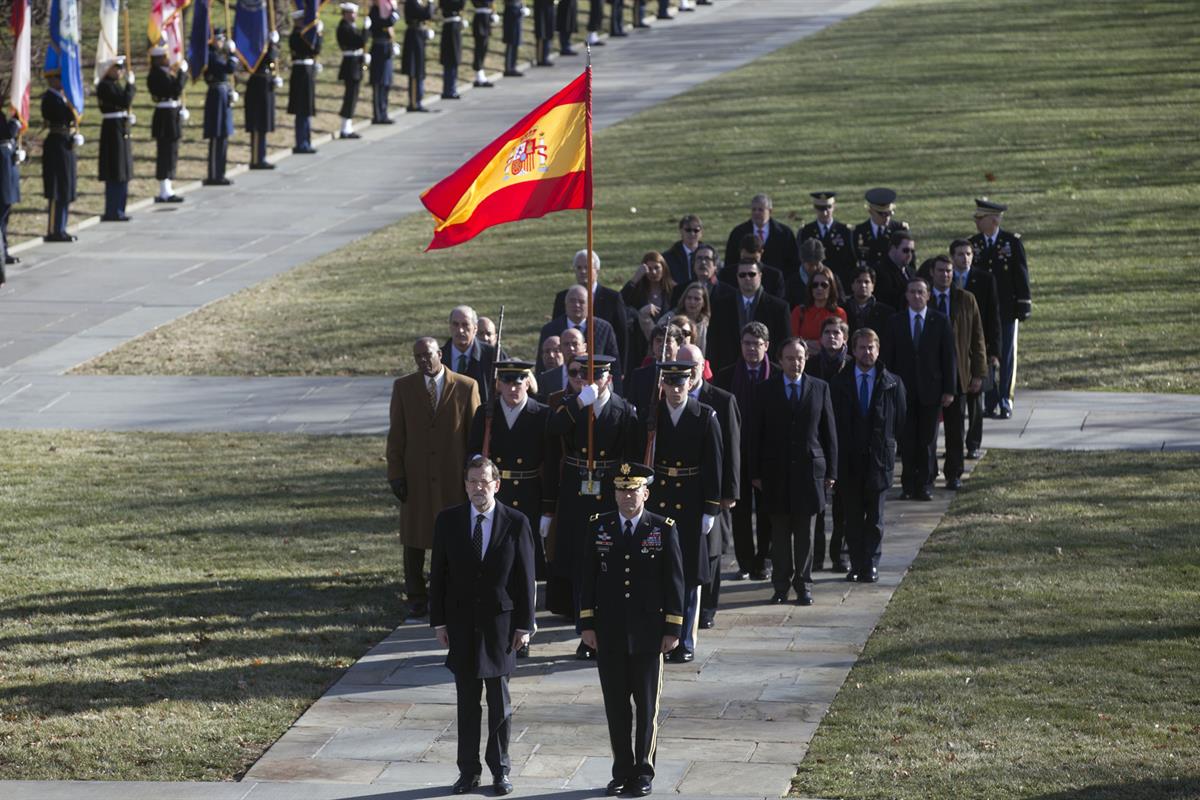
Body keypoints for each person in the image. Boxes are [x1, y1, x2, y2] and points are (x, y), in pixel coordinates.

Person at [430, 455, 535, 796]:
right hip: (461, 625)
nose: (478, 488)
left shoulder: (516, 522)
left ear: (497, 485)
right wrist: (439, 621)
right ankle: (468, 771)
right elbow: (439, 576)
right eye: (472, 481)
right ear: (465, 485)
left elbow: (525, 578)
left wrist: (525, 625)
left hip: (500, 627)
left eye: (484, 482)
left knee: (499, 703)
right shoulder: (448, 521)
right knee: (467, 703)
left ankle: (500, 770)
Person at [578, 463, 684, 798]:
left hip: (648, 632)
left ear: (646, 493)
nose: (627, 497)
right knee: (616, 706)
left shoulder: (663, 528)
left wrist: (673, 627)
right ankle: (621, 769)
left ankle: (643, 771)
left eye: (633, 490)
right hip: (609, 631)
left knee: (647, 706)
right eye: (622, 490)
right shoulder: (599, 527)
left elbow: (674, 581)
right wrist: (587, 624)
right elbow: (588, 579)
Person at [546, 355, 639, 658]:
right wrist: (577, 403)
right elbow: (554, 427)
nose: (592, 384)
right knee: (578, 563)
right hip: (577, 494)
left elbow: (632, 455)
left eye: (597, 378)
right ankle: (584, 634)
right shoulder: (573, 406)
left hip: (608, 491)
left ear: (609, 378)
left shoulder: (623, 410)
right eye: (586, 378)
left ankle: (606, 630)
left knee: (607, 563)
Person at [387, 337, 481, 621]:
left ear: (440, 354)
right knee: (414, 539)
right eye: (417, 357)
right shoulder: (404, 387)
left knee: (454, 536)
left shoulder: (466, 386)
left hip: (453, 476)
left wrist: (473, 478)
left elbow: (474, 437)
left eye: (427, 355)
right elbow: (397, 435)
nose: (423, 361)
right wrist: (396, 474)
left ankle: (453, 590)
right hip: (416, 477)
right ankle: (416, 596)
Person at [637, 361, 721, 663]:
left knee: (687, 577)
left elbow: (714, 465)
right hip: (658, 500)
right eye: (669, 383)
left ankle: (685, 640)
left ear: (690, 383)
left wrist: (710, 507)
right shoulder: (653, 414)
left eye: (680, 383)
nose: (675, 389)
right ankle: (660, 636)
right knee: (656, 570)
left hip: (690, 502)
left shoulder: (704, 416)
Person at [467, 360, 556, 626]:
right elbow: (471, 454)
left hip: (529, 495)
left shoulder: (541, 413)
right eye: (506, 381)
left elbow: (550, 464)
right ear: (499, 385)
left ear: (527, 382)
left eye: (518, 381)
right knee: (495, 560)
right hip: (497, 495)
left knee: (525, 566)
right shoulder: (486, 413)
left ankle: (525, 623)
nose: (512, 387)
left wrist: (548, 509)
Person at [750, 339, 836, 606]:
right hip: (775, 474)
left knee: (805, 533)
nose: (794, 363)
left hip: (809, 474)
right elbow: (756, 435)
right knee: (779, 533)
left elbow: (829, 432)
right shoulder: (765, 390)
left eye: (799, 357)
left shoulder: (820, 388)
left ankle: (804, 584)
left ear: (806, 358)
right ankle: (780, 585)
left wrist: (832, 470)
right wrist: (755, 472)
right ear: (780, 360)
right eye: (789, 358)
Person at [830, 328, 905, 583]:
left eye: (871, 347)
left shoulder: (891, 382)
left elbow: (900, 420)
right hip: (849, 462)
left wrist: (889, 448)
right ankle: (856, 563)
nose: (867, 352)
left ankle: (871, 564)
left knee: (874, 518)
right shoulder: (839, 382)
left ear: (878, 349)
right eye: (862, 347)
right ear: (853, 350)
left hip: (878, 461)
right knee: (852, 518)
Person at [680, 344, 740, 631]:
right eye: (681, 365)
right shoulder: (665, 397)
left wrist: (729, 493)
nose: (687, 371)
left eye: (692, 365)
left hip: (712, 488)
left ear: (703, 365)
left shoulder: (722, 399)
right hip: (681, 490)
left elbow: (731, 450)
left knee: (712, 551)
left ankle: (708, 608)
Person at [882, 277, 956, 502]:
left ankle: (924, 485)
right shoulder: (895, 321)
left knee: (927, 441)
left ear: (928, 295)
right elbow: (888, 358)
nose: (916, 296)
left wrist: (949, 390)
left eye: (920, 292)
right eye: (912, 292)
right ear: (906, 295)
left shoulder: (940, 320)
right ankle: (907, 485)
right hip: (903, 391)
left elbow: (948, 357)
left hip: (931, 391)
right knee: (907, 441)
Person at [713, 322, 775, 581]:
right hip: (736, 454)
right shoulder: (726, 376)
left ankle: (765, 560)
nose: (751, 349)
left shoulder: (777, 374)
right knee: (739, 511)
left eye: (757, 344)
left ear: (766, 346)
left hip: (767, 454)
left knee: (766, 511)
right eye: (747, 343)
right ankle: (746, 562)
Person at [968, 198, 1031, 420]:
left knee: (1006, 356)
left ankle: (1006, 399)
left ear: (993, 220)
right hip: (980, 312)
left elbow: (1020, 274)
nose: (976, 221)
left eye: (980, 218)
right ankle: (990, 399)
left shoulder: (1011, 242)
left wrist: (1024, 304)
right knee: (983, 356)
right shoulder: (972, 244)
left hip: (1006, 310)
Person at [927, 255, 986, 490]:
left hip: (959, 374)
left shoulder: (965, 299)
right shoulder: (923, 296)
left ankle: (954, 474)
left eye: (949, 271)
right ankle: (929, 473)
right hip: (930, 376)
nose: (945, 275)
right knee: (928, 432)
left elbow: (977, 338)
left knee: (955, 430)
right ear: (932, 272)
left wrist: (978, 373)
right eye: (941, 270)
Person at [804, 317, 851, 571]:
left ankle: (840, 554)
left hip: (845, 443)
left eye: (837, 332)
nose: (832, 337)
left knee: (843, 506)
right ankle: (818, 556)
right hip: (817, 444)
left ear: (845, 338)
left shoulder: (852, 367)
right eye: (828, 332)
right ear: (820, 338)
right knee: (818, 506)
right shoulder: (810, 367)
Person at [949, 238, 1001, 458]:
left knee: (976, 404)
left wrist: (994, 353)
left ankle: (973, 443)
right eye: (960, 254)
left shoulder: (985, 279)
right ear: (952, 257)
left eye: (968, 254)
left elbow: (993, 318)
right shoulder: (945, 281)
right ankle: (956, 445)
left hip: (977, 350)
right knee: (958, 406)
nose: (965, 258)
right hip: (955, 353)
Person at [550, 250, 629, 377]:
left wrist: (621, 372)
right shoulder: (562, 298)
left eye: (587, 267)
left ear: (597, 270)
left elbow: (622, 336)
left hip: (600, 371)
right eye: (579, 267)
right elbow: (555, 331)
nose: (583, 271)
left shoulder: (612, 298)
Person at [708, 259, 790, 373]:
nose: (747, 278)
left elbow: (784, 344)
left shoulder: (779, 308)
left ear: (760, 275)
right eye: (742, 275)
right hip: (728, 373)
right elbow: (713, 343)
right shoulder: (721, 306)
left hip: (768, 373)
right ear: (737, 277)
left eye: (752, 274)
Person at [540, 285, 623, 388]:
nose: (577, 305)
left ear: (590, 304)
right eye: (572, 301)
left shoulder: (604, 328)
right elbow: (541, 364)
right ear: (565, 303)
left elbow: (614, 366)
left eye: (581, 301)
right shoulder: (550, 329)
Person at [40, 67, 79, 242]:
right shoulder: (49, 99)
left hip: (65, 142)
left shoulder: (64, 98)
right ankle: (54, 229)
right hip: (55, 143)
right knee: (57, 187)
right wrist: (71, 102)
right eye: (61, 79)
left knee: (66, 185)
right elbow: (58, 115)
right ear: (53, 80)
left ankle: (62, 227)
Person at [96, 57, 135, 222]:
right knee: (115, 170)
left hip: (119, 127)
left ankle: (120, 208)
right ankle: (113, 210)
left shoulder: (114, 84)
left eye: (121, 68)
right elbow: (124, 100)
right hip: (112, 131)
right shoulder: (105, 85)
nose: (121, 71)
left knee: (123, 170)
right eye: (117, 68)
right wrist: (131, 85)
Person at [723, 193, 799, 278]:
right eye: (754, 210)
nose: (756, 213)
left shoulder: (784, 234)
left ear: (770, 211)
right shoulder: (738, 233)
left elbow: (793, 264)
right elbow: (730, 263)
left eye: (760, 210)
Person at [147, 43, 187, 203]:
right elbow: (175, 89)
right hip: (165, 116)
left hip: (171, 113)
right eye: (165, 56)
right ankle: (164, 189)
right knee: (165, 153)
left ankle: (168, 186)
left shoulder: (166, 72)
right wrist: (182, 73)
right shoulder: (156, 75)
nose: (169, 59)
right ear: (159, 59)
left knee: (172, 152)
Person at [621, 250, 675, 365]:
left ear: (664, 268)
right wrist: (635, 279)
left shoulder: (673, 290)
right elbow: (620, 302)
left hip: (666, 343)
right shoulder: (638, 291)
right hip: (641, 345)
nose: (653, 272)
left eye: (657, 268)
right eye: (649, 269)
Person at [444, 305, 504, 405]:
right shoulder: (438, 357)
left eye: (465, 325)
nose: (460, 330)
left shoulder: (492, 355)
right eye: (455, 324)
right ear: (450, 327)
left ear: (475, 329)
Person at [799, 191, 856, 289]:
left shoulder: (845, 231)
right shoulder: (806, 231)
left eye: (828, 207)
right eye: (820, 209)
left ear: (834, 206)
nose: (825, 212)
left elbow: (851, 261)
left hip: (839, 283)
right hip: (814, 285)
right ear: (815, 208)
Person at [202, 28, 237, 186]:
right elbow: (229, 68)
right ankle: (214, 174)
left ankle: (221, 173)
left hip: (222, 92)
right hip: (216, 94)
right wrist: (232, 53)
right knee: (217, 135)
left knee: (223, 133)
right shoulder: (211, 55)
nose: (221, 42)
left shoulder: (217, 54)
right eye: (219, 39)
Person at [790, 266, 847, 357]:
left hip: (830, 358)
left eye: (824, 285)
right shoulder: (799, 311)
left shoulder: (839, 313)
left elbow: (842, 339)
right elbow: (793, 340)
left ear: (831, 287)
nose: (819, 288)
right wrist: (809, 344)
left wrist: (815, 344)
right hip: (804, 358)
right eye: (815, 285)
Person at [288, 9, 323, 154]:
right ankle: (301, 142)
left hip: (307, 71)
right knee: (302, 109)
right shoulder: (296, 35)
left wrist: (318, 34)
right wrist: (317, 34)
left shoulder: (305, 35)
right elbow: (311, 47)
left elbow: (316, 50)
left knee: (307, 108)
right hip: (300, 73)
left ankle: (306, 141)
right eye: (303, 20)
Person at [852, 187, 908, 274]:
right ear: (871, 211)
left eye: (889, 213)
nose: (886, 218)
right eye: (881, 214)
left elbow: (909, 260)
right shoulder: (859, 231)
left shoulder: (899, 229)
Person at [245, 34, 280, 169]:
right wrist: (272, 45)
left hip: (266, 82)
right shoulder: (255, 46)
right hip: (258, 84)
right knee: (258, 123)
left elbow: (272, 60)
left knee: (264, 122)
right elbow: (269, 57)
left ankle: (262, 156)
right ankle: (256, 158)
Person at [841, 267, 893, 351]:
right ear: (852, 285)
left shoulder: (887, 313)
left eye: (867, 282)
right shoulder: (842, 310)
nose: (863, 285)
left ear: (873, 286)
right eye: (859, 281)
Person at [336, 3, 369, 136]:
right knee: (350, 96)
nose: (354, 15)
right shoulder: (344, 27)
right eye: (351, 13)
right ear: (345, 14)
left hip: (355, 62)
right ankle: (345, 127)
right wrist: (366, 29)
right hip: (350, 65)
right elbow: (360, 41)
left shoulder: (351, 26)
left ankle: (348, 125)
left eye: (354, 13)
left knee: (353, 96)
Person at [369, 0, 401, 123]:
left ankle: (384, 112)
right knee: (378, 83)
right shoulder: (374, 11)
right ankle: (378, 114)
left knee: (386, 82)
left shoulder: (385, 11)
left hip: (386, 48)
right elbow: (386, 23)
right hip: (378, 49)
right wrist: (394, 13)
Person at [0, 109, 23, 270]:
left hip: (7, 168)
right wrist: (15, 121)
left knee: (5, 213)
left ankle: (4, 250)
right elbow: (5, 133)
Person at [401, 0, 433, 112]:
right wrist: (430, 3)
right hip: (414, 36)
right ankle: (414, 102)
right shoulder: (412, 2)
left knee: (419, 68)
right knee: (415, 70)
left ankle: (418, 99)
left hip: (418, 35)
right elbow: (426, 14)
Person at [874, 230, 917, 312]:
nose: (909, 255)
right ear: (893, 248)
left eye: (912, 251)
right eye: (905, 250)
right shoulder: (880, 271)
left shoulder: (912, 272)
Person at [537, 327, 584, 398]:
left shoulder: (594, 374)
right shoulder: (545, 379)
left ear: (585, 347)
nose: (571, 348)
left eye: (575, 344)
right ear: (560, 348)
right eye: (566, 344)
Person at [663, 214, 704, 287]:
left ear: (701, 233)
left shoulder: (709, 256)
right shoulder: (668, 257)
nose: (692, 233)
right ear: (681, 231)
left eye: (696, 230)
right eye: (688, 230)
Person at [673, 282, 711, 356]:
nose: (692, 302)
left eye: (697, 299)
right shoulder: (671, 318)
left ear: (704, 303)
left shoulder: (707, 323)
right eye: (689, 298)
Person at [438, 0, 465, 99]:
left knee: (453, 59)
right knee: (451, 59)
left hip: (454, 24)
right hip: (451, 26)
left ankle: (451, 88)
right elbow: (460, 5)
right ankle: (449, 89)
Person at [471, 0, 495, 88]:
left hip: (486, 16)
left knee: (484, 47)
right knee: (480, 48)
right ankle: (479, 75)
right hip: (481, 18)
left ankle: (480, 74)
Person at [501, 0, 526, 77]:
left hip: (517, 8)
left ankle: (513, 66)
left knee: (516, 41)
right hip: (511, 9)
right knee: (511, 41)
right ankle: (509, 68)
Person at [532, 0, 555, 65]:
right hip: (541, 7)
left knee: (549, 31)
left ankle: (546, 56)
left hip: (549, 5)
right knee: (542, 32)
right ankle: (541, 58)